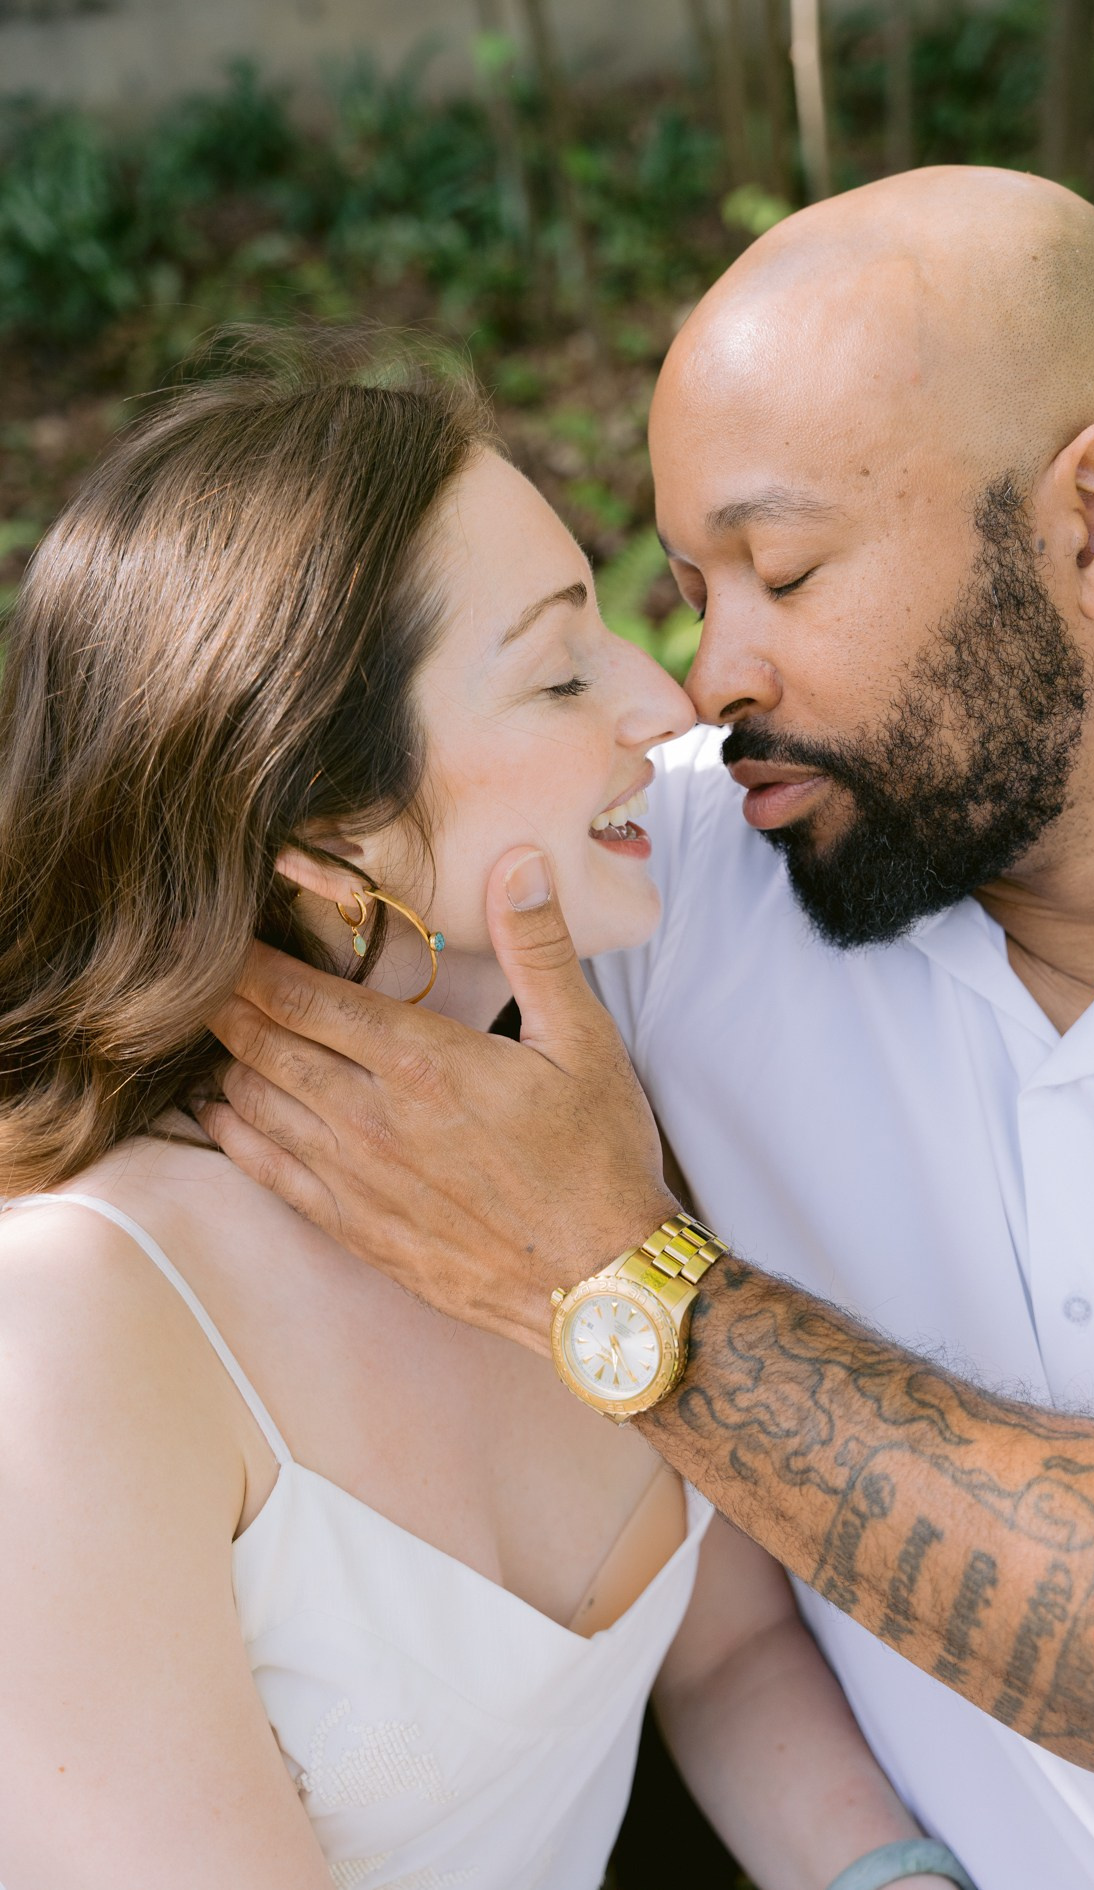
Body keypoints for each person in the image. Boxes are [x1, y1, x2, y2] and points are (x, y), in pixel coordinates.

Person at [203, 167, 1094, 1889]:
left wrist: (625, 1280)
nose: (704, 686)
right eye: (695, 590)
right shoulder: (667, 877)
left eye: (783, 569)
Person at [0, 336, 965, 1890]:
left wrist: (889, 1877)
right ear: (324, 825)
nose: (668, 705)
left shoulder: (583, 1109)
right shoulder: (74, 1337)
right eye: (563, 668)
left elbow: (722, 1658)